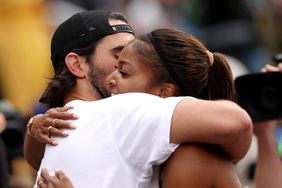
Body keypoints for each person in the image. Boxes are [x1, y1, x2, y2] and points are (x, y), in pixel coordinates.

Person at [24, 11, 253, 188]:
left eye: (125, 69)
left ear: (163, 93)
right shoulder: (120, 110)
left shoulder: (65, 126)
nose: (115, 75)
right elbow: (238, 123)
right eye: (118, 57)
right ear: (77, 64)